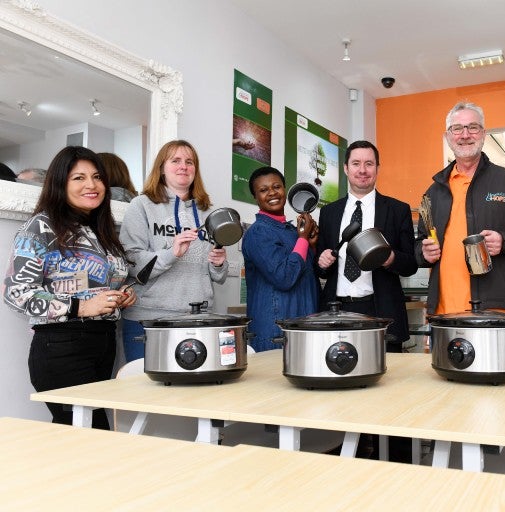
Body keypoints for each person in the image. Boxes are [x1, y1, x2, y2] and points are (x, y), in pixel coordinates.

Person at [2, 146, 136, 429]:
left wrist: (120, 295)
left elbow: (95, 283)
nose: (92, 184)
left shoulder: (101, 230)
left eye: (97, 176)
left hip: (102, 341)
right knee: (91, 435)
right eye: (79, 178)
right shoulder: (42, 227)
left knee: (90, 436)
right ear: (60, 183)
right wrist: (82, 306)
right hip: (62, 347)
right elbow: (16, 292)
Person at [316, 140, 417, 462]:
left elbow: (410, 263)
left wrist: (388, 258)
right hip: (340, 311)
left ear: (377, 168)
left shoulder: (397, 209)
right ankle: (356, 456)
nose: (362, 170)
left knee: (390, 391)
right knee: (346, 387)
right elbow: (319, 260)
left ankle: (400, 460)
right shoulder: (329, 213)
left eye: (369, 164)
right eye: (356, 163)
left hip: (380, 309)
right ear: (345, 169)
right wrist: (320, 262)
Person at [417, 102, 505, 315]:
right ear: (448, 136)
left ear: (483, 133)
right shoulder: (433, 192)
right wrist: (423, 253)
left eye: (473, 127)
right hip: (443, 312)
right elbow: (420, 244)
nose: (465, 134)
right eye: (457, 128)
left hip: (496, 310)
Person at [119, 140, 228, 362]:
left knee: (190, 393)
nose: (183, 166)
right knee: (143, 392)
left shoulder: (209, 213)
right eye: (175, 160)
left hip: (199, 318)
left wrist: (218, 263)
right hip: (148, 319)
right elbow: (131, 263)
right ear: (161, 168)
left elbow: (218, 276)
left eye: (190, 162)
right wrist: (172, 253)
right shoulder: (141, 205)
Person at [241, 166, 319, 352]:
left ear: (285, 189)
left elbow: (307, 276)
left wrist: (311, 244)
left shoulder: (294, 231)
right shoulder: (257, 233)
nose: (272, 193)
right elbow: (284, 277)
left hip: (304, 327)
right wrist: (302, 239)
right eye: (263, 190)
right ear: (255, 197)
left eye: (277, 187)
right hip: (275, 333)